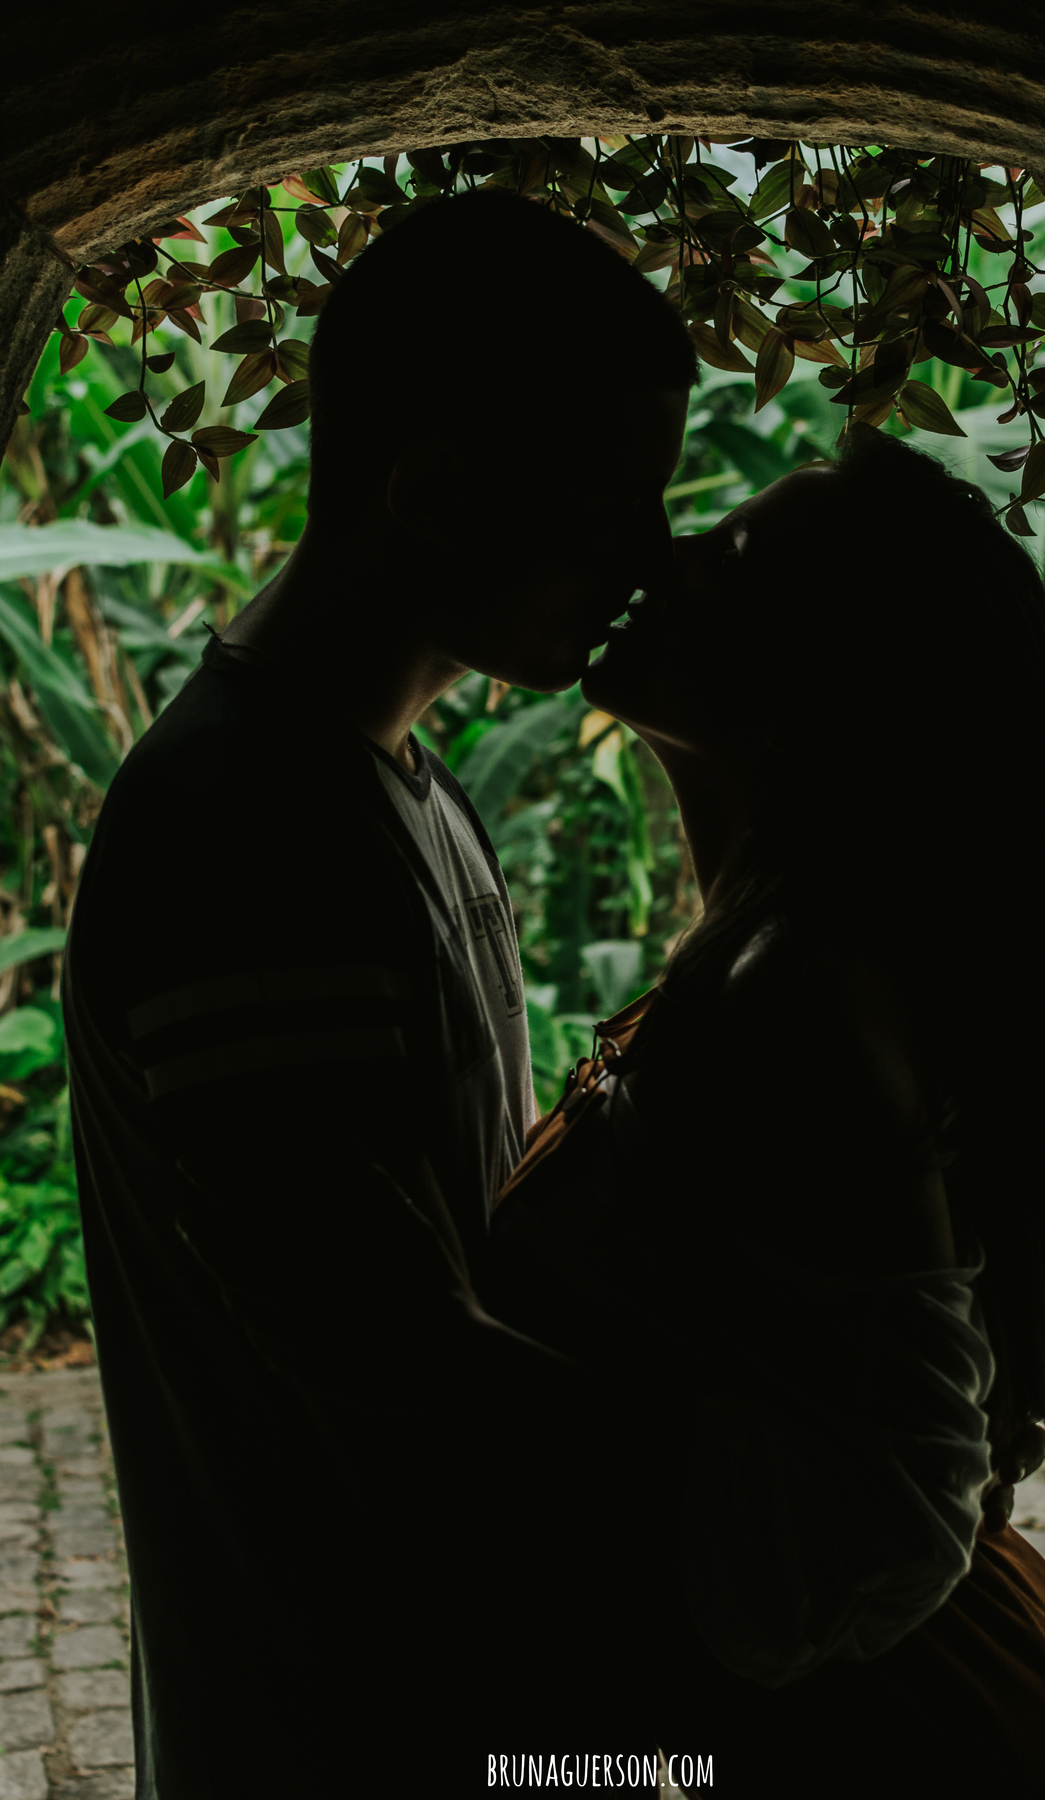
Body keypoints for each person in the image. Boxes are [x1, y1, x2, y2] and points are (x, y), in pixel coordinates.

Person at [62, 188, 694, 1795]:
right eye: (612, 503)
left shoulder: (389, 788)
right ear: (436, 495)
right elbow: (401, 1371)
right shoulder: (250, 834)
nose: (652, 553)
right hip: (353, 1722)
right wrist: (797, 1496)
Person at [482, 429, 1045, 1797]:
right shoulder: (789, 961)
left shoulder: (791, 1001)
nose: (658, 555)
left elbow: (892, 1513)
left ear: (814, 681)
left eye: (722, 561)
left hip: (888, 1740)